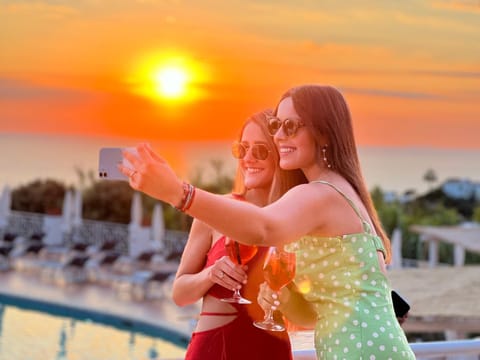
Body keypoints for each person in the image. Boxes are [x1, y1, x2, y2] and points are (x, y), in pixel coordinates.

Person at [120, 84, 415, 359]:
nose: (280, 136)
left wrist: (178, 192)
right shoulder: (332, 193)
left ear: (324, 134)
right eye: (276, 126)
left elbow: (262, 228)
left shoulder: (321, 194)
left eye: (290, 126)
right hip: (360, 346)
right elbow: (316, 313)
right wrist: (285, 298)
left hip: (362, 349)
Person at [171, 110, 301, 360]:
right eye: (242, 149)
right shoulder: (215, 212)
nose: (248, 158)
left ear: (279, 154)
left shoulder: (296, 217)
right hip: (215, 349)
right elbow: (180, 294)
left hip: (272, 350)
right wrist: (211, 274)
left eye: (260, 150)